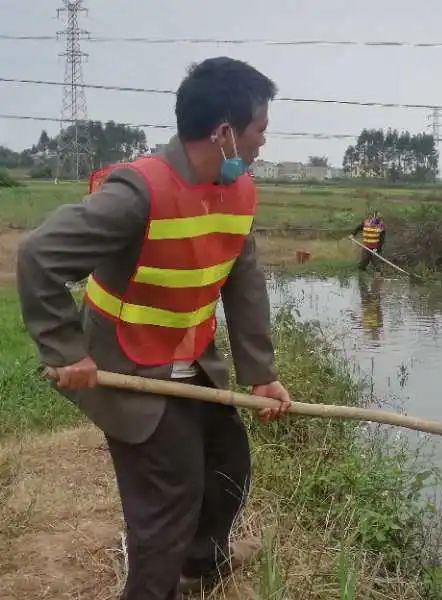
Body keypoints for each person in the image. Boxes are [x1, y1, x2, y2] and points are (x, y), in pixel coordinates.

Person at [17, 57, 292, 600]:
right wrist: (65, 349)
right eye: (259, 129)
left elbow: (244, 280)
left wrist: (261, 375)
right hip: (128, 360)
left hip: (192, 356)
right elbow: (39, 256)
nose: (264, 142)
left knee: (228, 466)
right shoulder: (138, 192)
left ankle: (199, 564)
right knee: (171, 494)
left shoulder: (238, 191)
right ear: (225, 133)